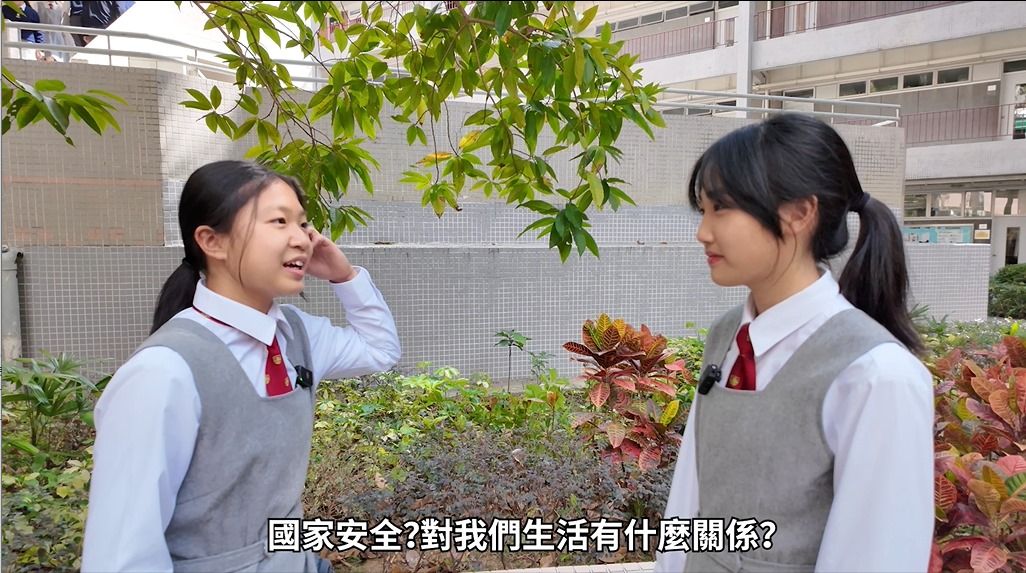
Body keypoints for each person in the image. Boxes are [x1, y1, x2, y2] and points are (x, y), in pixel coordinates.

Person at [81, 160, 401, 572]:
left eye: (303, 223)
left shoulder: (296, 334)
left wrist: (345, 276)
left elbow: (379, 350)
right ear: (212, 241)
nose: (302, 239)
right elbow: (122, 558)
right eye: (279, 221)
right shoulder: (163, 373)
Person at [657, 114, 933, 572]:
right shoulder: (726, 336)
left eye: (721, 208)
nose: (703, 232)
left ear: (800, 213)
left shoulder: (877, 376)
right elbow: (688, 504)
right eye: (702, 210)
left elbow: (876, 558)